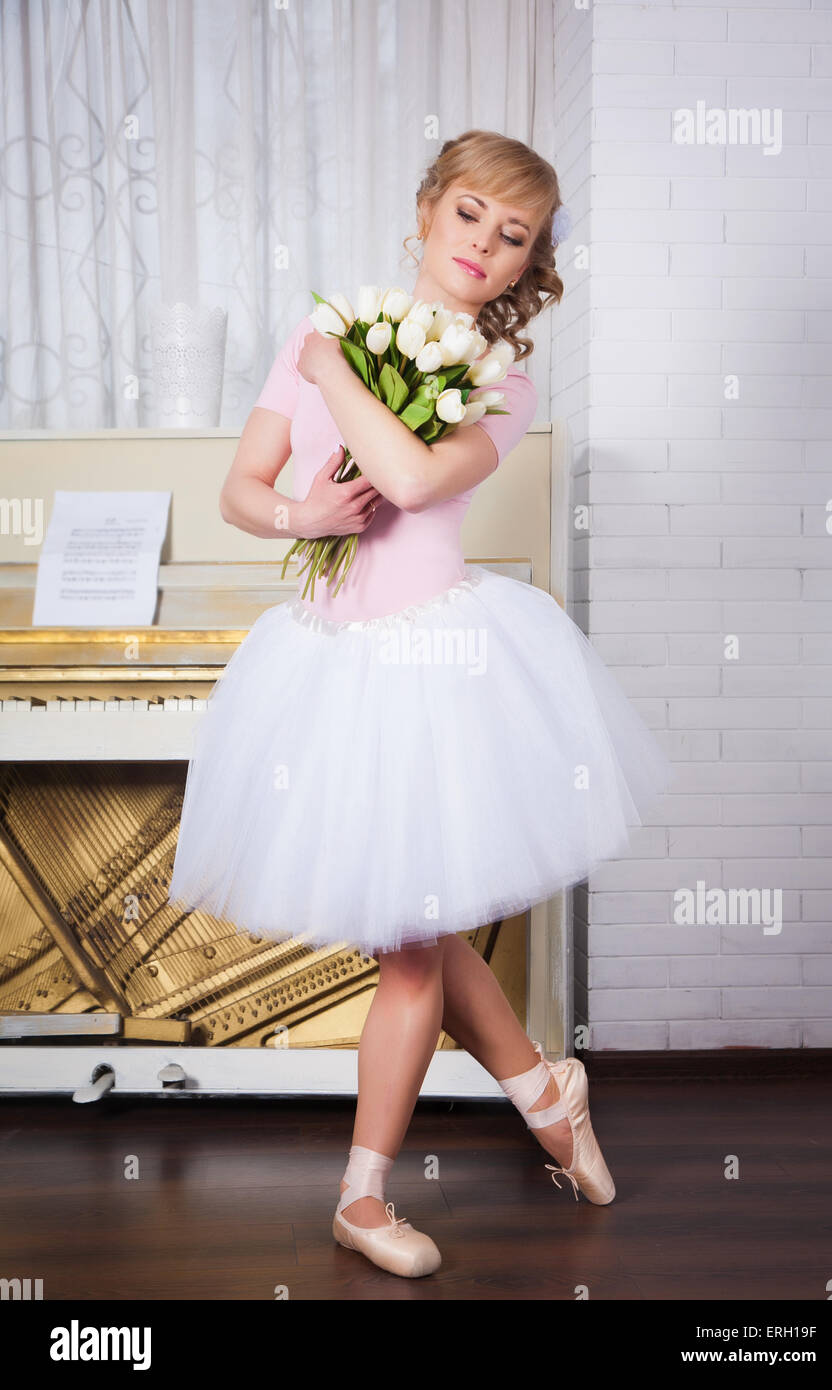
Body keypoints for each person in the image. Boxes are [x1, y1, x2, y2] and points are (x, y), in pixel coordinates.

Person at [168, 130, 674, 1279]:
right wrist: (304, 519)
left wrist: (334, 366)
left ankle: (362, 1194)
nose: (485, 249)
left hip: (436, 670)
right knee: (420, 929)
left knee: (408, 943)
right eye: (468, 217)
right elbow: (243, 491)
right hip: (327, 667)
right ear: (424, 213)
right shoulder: (315, 340)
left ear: (526, 263)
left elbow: (403, 481)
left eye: (514, 239)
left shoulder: (500, 383)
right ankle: (547, 1091)